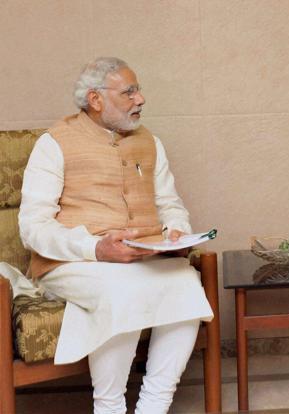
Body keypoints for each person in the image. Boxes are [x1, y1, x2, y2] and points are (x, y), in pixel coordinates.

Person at [18, 57, 213, 414]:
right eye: (129, 92)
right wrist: (96, 248)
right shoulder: (54, 143)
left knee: (187, 282)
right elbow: (32, 227)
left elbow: (170, 202)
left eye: (137, 90)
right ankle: (109, 408)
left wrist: (175, 231)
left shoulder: (150, 142)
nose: (140, 99)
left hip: (142, 257)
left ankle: (153, 407)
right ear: (95, 99)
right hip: (74, 262)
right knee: (122, 289)